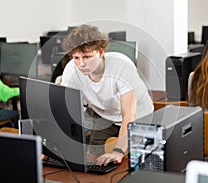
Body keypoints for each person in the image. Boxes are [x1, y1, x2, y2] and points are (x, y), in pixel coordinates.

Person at [60, 24, 154, 166]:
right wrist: (53, 147)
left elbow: (129, 115)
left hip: (139, 117)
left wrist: (118, 151)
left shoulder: (121, 66)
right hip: (106, 117)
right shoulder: (71, 70)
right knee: (95, 158)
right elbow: (65, 112)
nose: (81, 64)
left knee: (134, 162)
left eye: (87, 57)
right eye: (76, 57)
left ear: (101, 52)